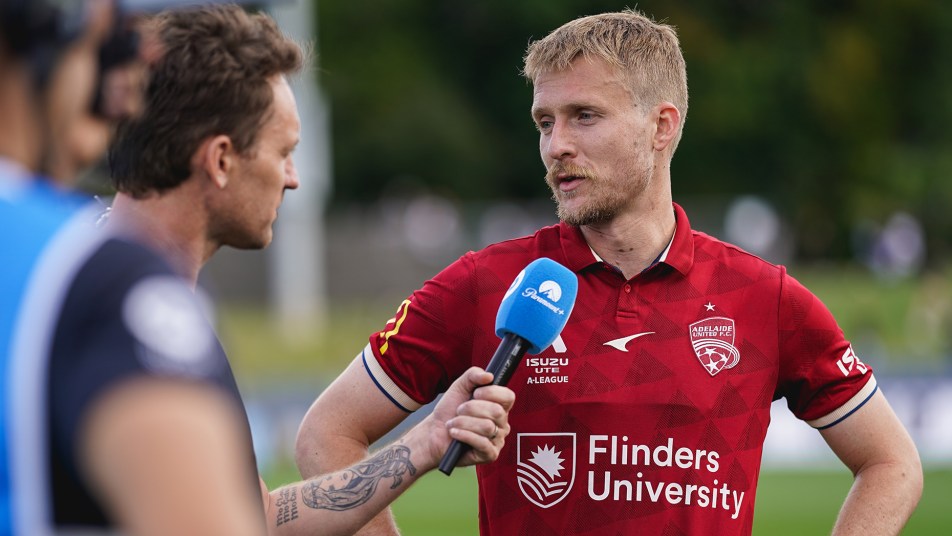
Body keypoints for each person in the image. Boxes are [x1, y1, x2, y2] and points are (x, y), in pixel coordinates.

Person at [295, 9, 923, 535]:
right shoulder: (487, 282)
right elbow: (327, 434)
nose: (555, 145)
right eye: (545, 122)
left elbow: (892, 462)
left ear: (661, 126)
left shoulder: (764, 298)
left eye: (584, 117)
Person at [2, 2, 514, 535]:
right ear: (221, 160)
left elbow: (263, 517)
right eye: (284, 151)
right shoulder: (120, 298)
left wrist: (426, 440)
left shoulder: (75, 266)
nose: (292, 178)